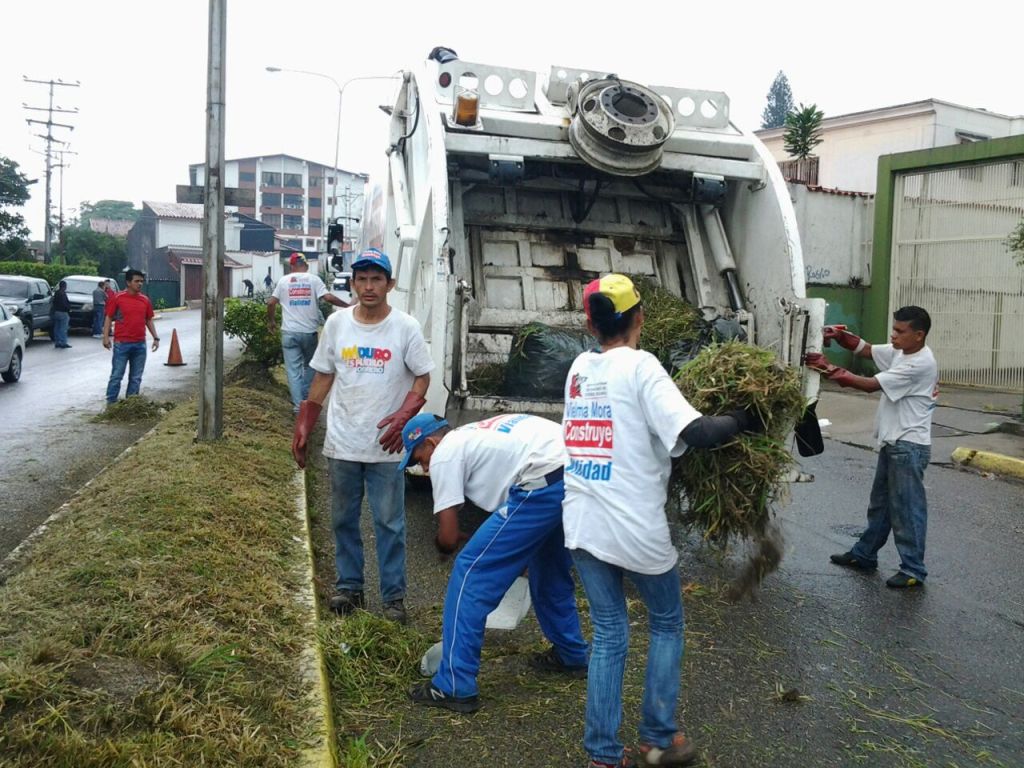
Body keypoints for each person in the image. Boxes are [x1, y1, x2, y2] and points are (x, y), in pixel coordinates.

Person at [562, 274, 762, 768]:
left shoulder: (578, 369)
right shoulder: (641, 366)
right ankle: (656, 737)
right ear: (639, 318)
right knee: (667, 622)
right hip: (633, 525)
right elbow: (695, 431)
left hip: (583, 519)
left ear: (590, 324)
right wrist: (741, 418)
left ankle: (604, 757)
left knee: (609, 632)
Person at [400, 412, 589, 714]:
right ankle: (572, 655)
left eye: (419, 458)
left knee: (470, 573)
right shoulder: (475, 433)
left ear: (431, 442)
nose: (423, 467)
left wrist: (446, 542)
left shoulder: (445, 454)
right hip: (576, 472)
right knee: (549, 567)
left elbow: (447, 537)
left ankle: (453, 684)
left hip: (539, 483)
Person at [291, 248, 433, 625]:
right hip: (343, 441)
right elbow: (324, 375)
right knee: (343, 519)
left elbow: (423, 375)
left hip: (386, 446)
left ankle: (393, 598)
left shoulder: (405, 327)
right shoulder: (337, 325)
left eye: (376, 279)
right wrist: (305, 421)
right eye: (362, 279)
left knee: (389, 524)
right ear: (352, 283)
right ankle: (349, 587)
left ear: (390, 284)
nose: (369, 287)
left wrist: (405, 415)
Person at [804, 306, 938, 589]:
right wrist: (840, 336)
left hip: (909, 446)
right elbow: (865, 349)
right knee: (881, 506)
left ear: (919, 335)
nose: (894, 335)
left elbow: (866, 385)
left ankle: (913, 569)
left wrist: (826, 367)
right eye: (894, 329)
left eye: (900, 332)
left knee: (907, 509)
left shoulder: (919, 364)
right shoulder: (903, 352)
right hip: (895, 442)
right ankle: (864, 554)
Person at [267, 253, 345, 412]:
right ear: (306, 266)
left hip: (289, 333)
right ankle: (304, 395)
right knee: (312, 366)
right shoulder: (313, 280)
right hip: (309, 333)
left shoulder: (283, 281)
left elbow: (271, 302)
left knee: (293, 371)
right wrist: (348, 306)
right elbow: (328, 298)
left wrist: (271, 321)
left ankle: (298, 407)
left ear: (291, 266)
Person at [102, 269, 160, 404]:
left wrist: (155, 338)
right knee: (117, 375)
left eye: (141, 281)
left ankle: (131, 404)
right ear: (128, 282)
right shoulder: (117, 298)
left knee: (136, 377)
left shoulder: (145, 300)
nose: (140, 284)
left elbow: (149, 319)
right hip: (122, 343)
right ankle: (111, 403)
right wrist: (105, 337)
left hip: (140, 344)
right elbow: (109, 317)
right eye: (136, 281)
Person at [52, 280, 72, 349]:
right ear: (64, 286)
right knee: (63, 328)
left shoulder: (56, 293)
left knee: (57, 328)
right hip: (63, 312)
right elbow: (64, 303)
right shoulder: (63, 293)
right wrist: (69, 308)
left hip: (56, 312)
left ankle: (57, 342)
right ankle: (63, 342)